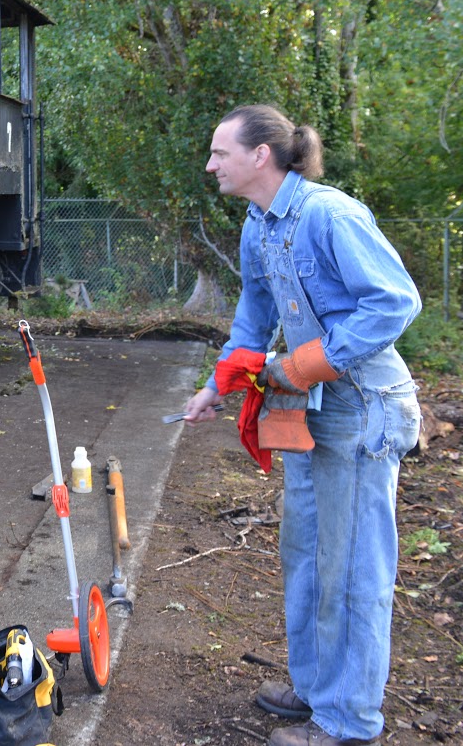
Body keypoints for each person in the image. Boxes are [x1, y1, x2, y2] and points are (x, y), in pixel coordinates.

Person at [180, 105, 422, 746]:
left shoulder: (328, 214)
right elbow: (253, 316)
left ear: (261, 155)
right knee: (307, 556)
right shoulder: (258, 225)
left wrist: (304, 364)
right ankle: (317, 692)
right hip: (310, 410)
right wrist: (215, 385)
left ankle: (348, 722)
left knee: (351, 568)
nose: (211, 166)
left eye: (219, 153)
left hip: (363, 408)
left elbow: (396, 302)